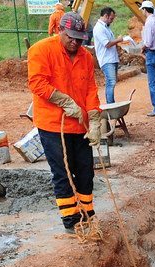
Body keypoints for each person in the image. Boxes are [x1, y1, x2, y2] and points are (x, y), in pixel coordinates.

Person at [28, 12, 102, 234]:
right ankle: (71, 221)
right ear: (60, 30)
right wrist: (64, 101)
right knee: (63, 172)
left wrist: (95, 119)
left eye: (79, 38)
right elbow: (37, 83)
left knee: (86, 171)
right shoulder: (41, 50)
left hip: (80, 124)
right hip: (53, 125)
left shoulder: (86, 57)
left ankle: (87, 214)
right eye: (71, 37)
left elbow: (90, 89)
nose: (75, 42)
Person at [92, 7, 123, 104]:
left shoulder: (106, 27)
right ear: (106, 16)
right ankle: (110, 104)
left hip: (112, 58)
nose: (112, 21)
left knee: (112, 82)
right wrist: (118, 40)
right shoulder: (99, 28)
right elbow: (107, 44)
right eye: (111, 18)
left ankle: (111, 103)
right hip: (106, 59)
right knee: (111, 82)